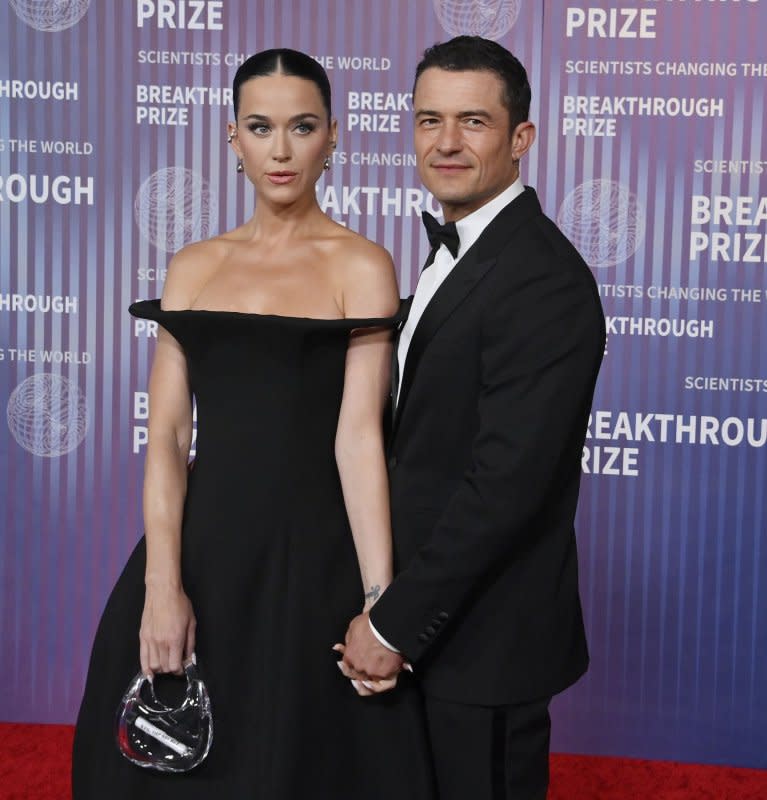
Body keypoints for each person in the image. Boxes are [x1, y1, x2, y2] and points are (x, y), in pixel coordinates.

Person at [72, 48, 434, 799]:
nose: (280, 149)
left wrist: (378, 600)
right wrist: (161, 585)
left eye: (301, 127)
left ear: (333, 135)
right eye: (259, 127)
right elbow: (169, 438)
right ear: (231, 137)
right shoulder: (193, 267)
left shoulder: (361, 266)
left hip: (313, 563)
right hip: (205, 554)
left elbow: (359, 437)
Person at [340, 36, 606, 800]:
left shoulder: (541, 278)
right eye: (428, 120)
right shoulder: (456, 256)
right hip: (429, 624)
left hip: (484, 643)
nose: (445, 142)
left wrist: (391, 626)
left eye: (472, 122)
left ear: (521, 138)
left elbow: (506, 488)